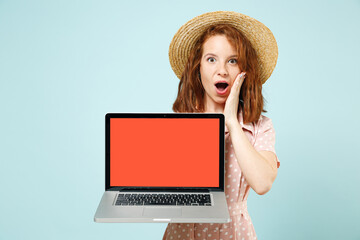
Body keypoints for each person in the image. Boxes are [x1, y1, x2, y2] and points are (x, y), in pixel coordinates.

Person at [163, 11, 280, 240]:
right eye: (211, 59)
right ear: (198, 68)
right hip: (181, 233)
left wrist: (232, 124)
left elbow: (263, 182)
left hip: (234, 233)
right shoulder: (178, 125)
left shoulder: (260, 127)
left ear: (245, 72)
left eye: (233, 60)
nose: (222, 70)